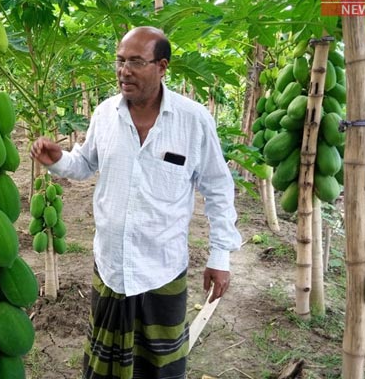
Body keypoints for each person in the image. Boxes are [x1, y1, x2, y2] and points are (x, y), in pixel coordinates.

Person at [30, 26, 242, 379]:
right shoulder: (105, 115)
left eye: (136, 62)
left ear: (162, 66)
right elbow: (84, 164)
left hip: (161, 269)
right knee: (103, 367)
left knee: (160, 367)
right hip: (110, 267)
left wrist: (220, 256)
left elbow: (218, 188)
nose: (124, 70)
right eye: (120, 61)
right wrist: (57, 159)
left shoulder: (193, 120)